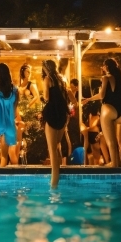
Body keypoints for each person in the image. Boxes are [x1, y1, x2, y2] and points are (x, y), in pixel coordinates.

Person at [40, 59, 69, 188]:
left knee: (52, 151)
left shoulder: (47, 79)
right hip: (62, 114)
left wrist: (41, 96)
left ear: (46, 68)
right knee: (57, 147)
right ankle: (56, 181)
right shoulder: (62, 80)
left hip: (52, 114)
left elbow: (46, 98)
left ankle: (54, 184)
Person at [95, 58, 121, 167]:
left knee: (110, 142)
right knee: (115, 141)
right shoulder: (119, 78)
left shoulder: (105, 78)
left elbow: (102, 95)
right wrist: (87, 100)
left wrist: (87, 99)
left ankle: (114, 167)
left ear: (107, 67)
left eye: (103, 66)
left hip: (109, 109)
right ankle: (118, 164)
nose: (102, 68)